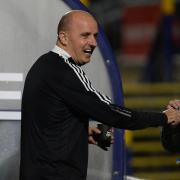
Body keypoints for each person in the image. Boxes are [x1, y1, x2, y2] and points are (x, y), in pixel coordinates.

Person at [19, 10, 180, 180]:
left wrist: (80, 133)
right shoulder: (64, 71)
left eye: (95, 36)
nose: (93, 42)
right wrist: (164, 118)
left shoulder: (45, 65)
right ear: (64, 38)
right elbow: (111, 112)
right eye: (85, 35)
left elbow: (46, 122)